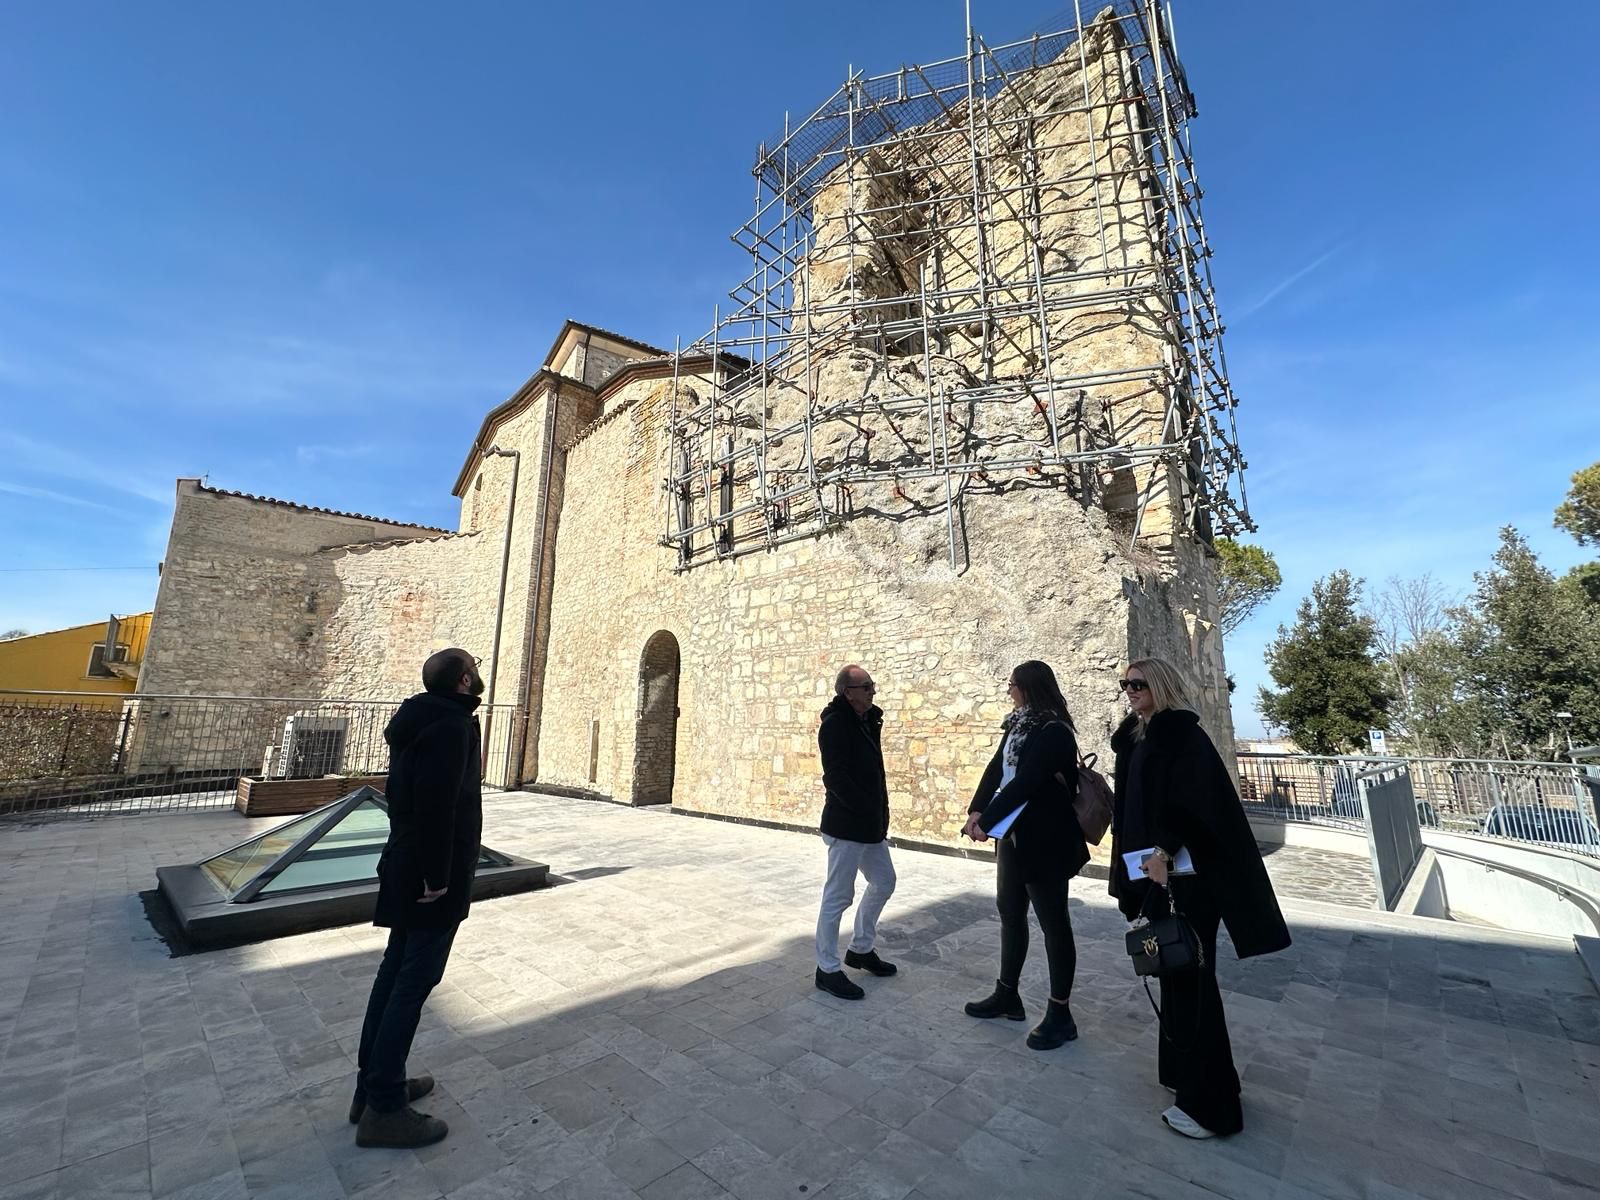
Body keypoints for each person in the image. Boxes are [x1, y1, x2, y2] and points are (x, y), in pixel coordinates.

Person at [1109, 656, 1291, 1139]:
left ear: (1162, 685)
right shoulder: (1148, 734)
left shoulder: (1181, 734)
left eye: (1140, 683)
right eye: (1125, 684)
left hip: (1187, 881)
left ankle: (1213, 1109)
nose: (1130, 690)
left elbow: (1194, 803)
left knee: (1192, 983)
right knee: (1174, 975)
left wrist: (1164, 849)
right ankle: (1185, 1080)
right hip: (1160, 878)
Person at [352, 648, 486, 1149]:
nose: (480, 673)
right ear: (463, 681)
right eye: (474, 668)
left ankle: (372, 1086)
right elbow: (436, 803)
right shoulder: (451, 726)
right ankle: (385, 1106)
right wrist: (437, 875)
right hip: (430, 872)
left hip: (404, 860)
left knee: (395, 973)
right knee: (414, 980)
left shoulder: (421, 719)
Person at [961, 661, 1089, 1050]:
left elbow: (1028, 781)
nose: (1008, 692)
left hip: (1045, 839)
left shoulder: (1054, 731)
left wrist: (988, 821)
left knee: (1054, 923)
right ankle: (1007, 994)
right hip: (1015, 837)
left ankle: (1060, 1012)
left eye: (1013, 685)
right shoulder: (1018, 726)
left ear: (1031, 688)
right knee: (1009, 912)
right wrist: (976, 811)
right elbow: (997, 770)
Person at [814, 664, 899, 999]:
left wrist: (877, 815)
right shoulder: (836, 725)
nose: (872, 691)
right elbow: (835, 777)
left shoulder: (867, 721)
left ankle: (861, 949)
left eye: (872, 685)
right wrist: (863, 808)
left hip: (869, 826)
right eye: (866, 686)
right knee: (838, 896)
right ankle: (827, 969)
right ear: (848, 692)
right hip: (848, 825)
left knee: (884, 881)